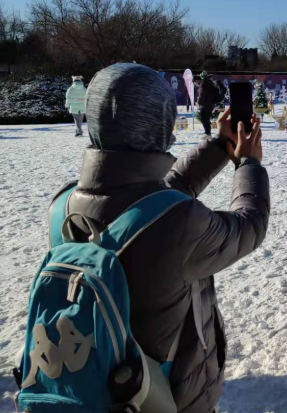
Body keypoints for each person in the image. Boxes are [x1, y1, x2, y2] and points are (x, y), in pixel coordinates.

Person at [47, 63, 269, 413]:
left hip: (87, 385)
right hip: (163, 396)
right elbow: (250, 225)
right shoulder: (178, 222)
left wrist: (219, 147)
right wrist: (248, 165)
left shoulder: (63, 206)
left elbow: (149, 202)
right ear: (162, 125)